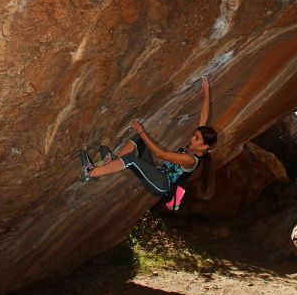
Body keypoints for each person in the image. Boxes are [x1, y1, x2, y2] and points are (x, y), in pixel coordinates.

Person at [80, 76, 218, 202]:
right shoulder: (198, 147)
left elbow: (160, 154)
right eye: (194, 134)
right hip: (157, 172)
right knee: (139, 142)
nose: (192, 138)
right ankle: (113, 161)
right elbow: (203, 118)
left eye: (197, 138)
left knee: (131, 158)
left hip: (160, 184)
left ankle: (91, 173)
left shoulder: (190, 160)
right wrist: (206, 92)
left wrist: (142, 132)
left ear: (204, 146)